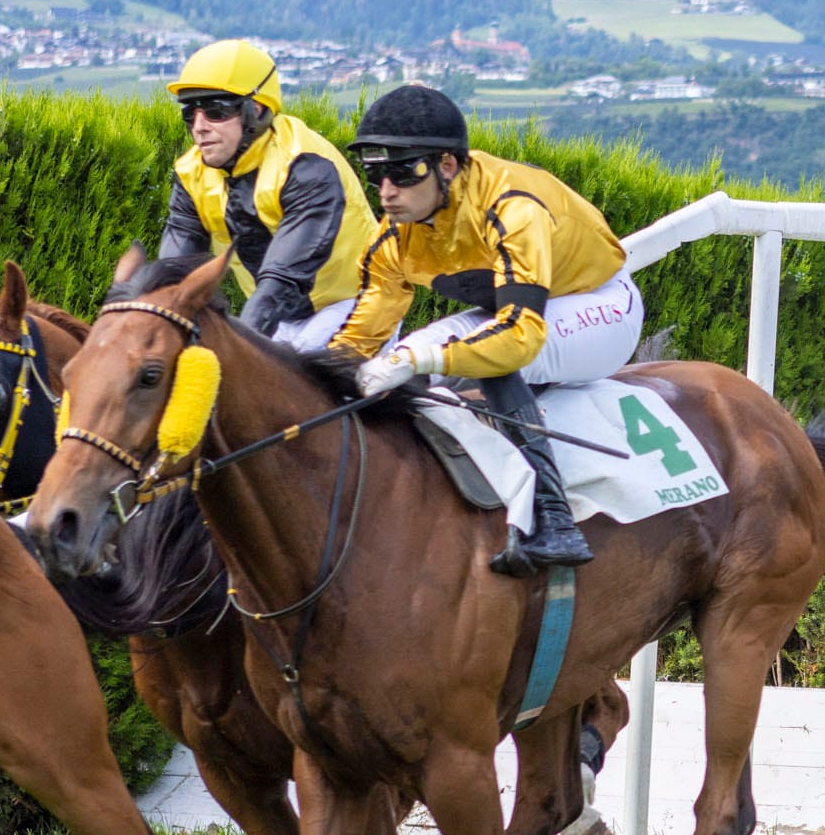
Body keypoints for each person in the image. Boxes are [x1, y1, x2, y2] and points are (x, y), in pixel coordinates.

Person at [335, 85, 643, 575]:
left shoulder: (513, 208)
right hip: (516, 309)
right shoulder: (393, 235)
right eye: (376, 174)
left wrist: (420, 361)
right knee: (413, 356)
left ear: (447, 166)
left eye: (402, 171)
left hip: (598, 304)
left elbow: (519, 336)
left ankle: (554, 520)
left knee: (483, 357)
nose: (386, 191)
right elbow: (358, 340)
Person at [161, 40, 379, 349]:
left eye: (215, 111)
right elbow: (172, 279)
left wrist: (235, 352)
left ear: (257, 109)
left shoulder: (305, 167)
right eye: (190, 113)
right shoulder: (190, 173)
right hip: (282, 318)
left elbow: (281, 283)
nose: (199, 127)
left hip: (355, 307)